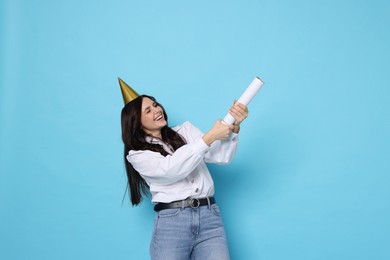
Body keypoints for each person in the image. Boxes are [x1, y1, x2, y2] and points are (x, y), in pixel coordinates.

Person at [120, 81, 248, 260]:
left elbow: (220, 156)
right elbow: (171, 170)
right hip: (172, 224)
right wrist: (209, 137)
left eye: (155, 105)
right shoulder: (137, 155)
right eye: (148, 110)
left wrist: (234, 127)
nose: (157, 110)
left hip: (210, 218)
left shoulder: (185, 131)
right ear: (136, 123)